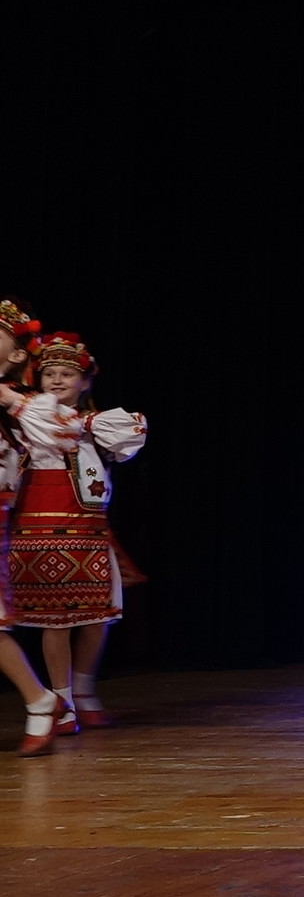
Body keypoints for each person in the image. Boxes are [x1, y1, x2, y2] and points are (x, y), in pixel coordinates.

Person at [6, 331, 147, 734]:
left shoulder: (95, 425)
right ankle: (62, 699)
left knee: (97, 616)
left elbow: (132, 433)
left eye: (67, 374)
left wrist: (85, 422)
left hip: (88, 528)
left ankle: (84, 690)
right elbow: (42, 432)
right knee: (56, 619)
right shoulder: (28, 418)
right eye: (49, 373)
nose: (56, 380)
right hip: (38, 527)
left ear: (84, 382)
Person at [0, 299, 70, 756]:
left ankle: (40, 698)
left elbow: (65, 432)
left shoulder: (25, 403)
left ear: (16, 354)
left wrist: (10, 399)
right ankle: (40, 699)